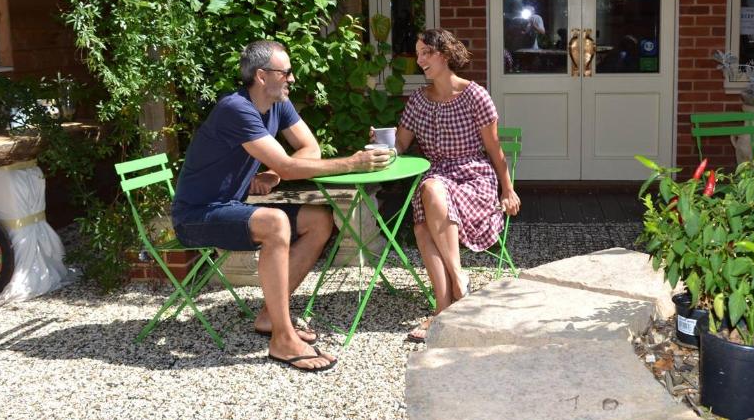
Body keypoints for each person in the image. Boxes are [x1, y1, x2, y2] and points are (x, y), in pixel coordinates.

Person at [172, 40, 393, 372]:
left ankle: (268, 317)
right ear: (262, 76)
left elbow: (309, 149)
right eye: (285, 72)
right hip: (197, 215)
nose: (291, 78)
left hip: (230, 205)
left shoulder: (279, 104)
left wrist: (275, 172)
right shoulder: (236, 109)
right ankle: (282, 337)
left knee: (319, 220)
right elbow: (294, 165)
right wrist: (355, 163)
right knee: (276, 222)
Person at [393, 29, 521, 342]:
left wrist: (508, 189)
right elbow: (399, 145)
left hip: (474, 179)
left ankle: (448, 296)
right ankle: (448, 300)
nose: (420, 60)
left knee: (430, 197)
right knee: (426, 215)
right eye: (418, 53)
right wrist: (381, 142)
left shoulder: (475, 95)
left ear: (446, 55)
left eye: (427, 53)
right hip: (437, 179)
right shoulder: (419, 101)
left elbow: (494, 150)